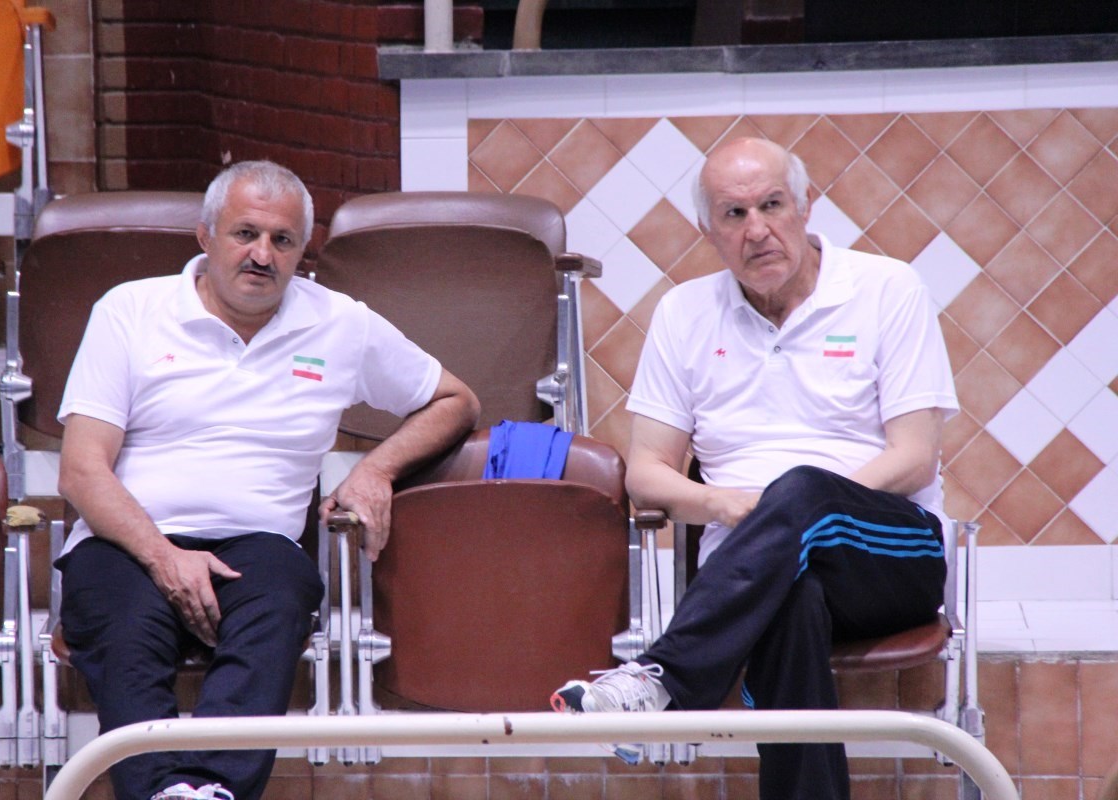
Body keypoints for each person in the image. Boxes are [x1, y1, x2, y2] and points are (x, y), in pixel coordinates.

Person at [55, 160, 480, 800]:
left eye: (282, 240)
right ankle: (162, 792)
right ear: (205, 236)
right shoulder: (131, 310)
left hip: (259, 546)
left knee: (281, 598)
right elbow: (81, 468)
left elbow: (455, 401)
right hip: (127, 539)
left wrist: (376, 469)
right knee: (126, 630)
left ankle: (210, 791)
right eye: (245, 234)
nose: (262, 255)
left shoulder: (340, 323)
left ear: (303, 251)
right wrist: (166, 557)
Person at [551, 137, 958, 800]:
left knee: (801, 489)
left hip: (886, 551)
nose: (757, 229)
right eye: (733, 214)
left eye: (771, 205)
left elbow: (915, 456)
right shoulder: (684, 313)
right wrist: (729, 506)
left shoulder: (887, 289)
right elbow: (646, 474)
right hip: (759, 565)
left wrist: (797, 505)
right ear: (707, 230)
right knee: (792, 601)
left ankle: (661, 680)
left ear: (805, 206)